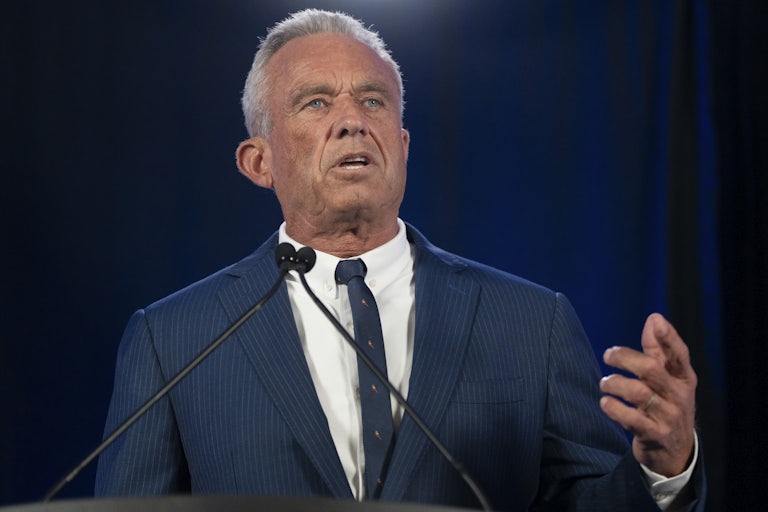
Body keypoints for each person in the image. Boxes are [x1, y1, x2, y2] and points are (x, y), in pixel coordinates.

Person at [95, 9, 705, 511]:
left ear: (403, 148)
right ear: (259, 161)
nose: (352, 122)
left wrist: (665, 468)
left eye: (374, 102)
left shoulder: (530, 321)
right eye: (314, 103)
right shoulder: (174, 339)